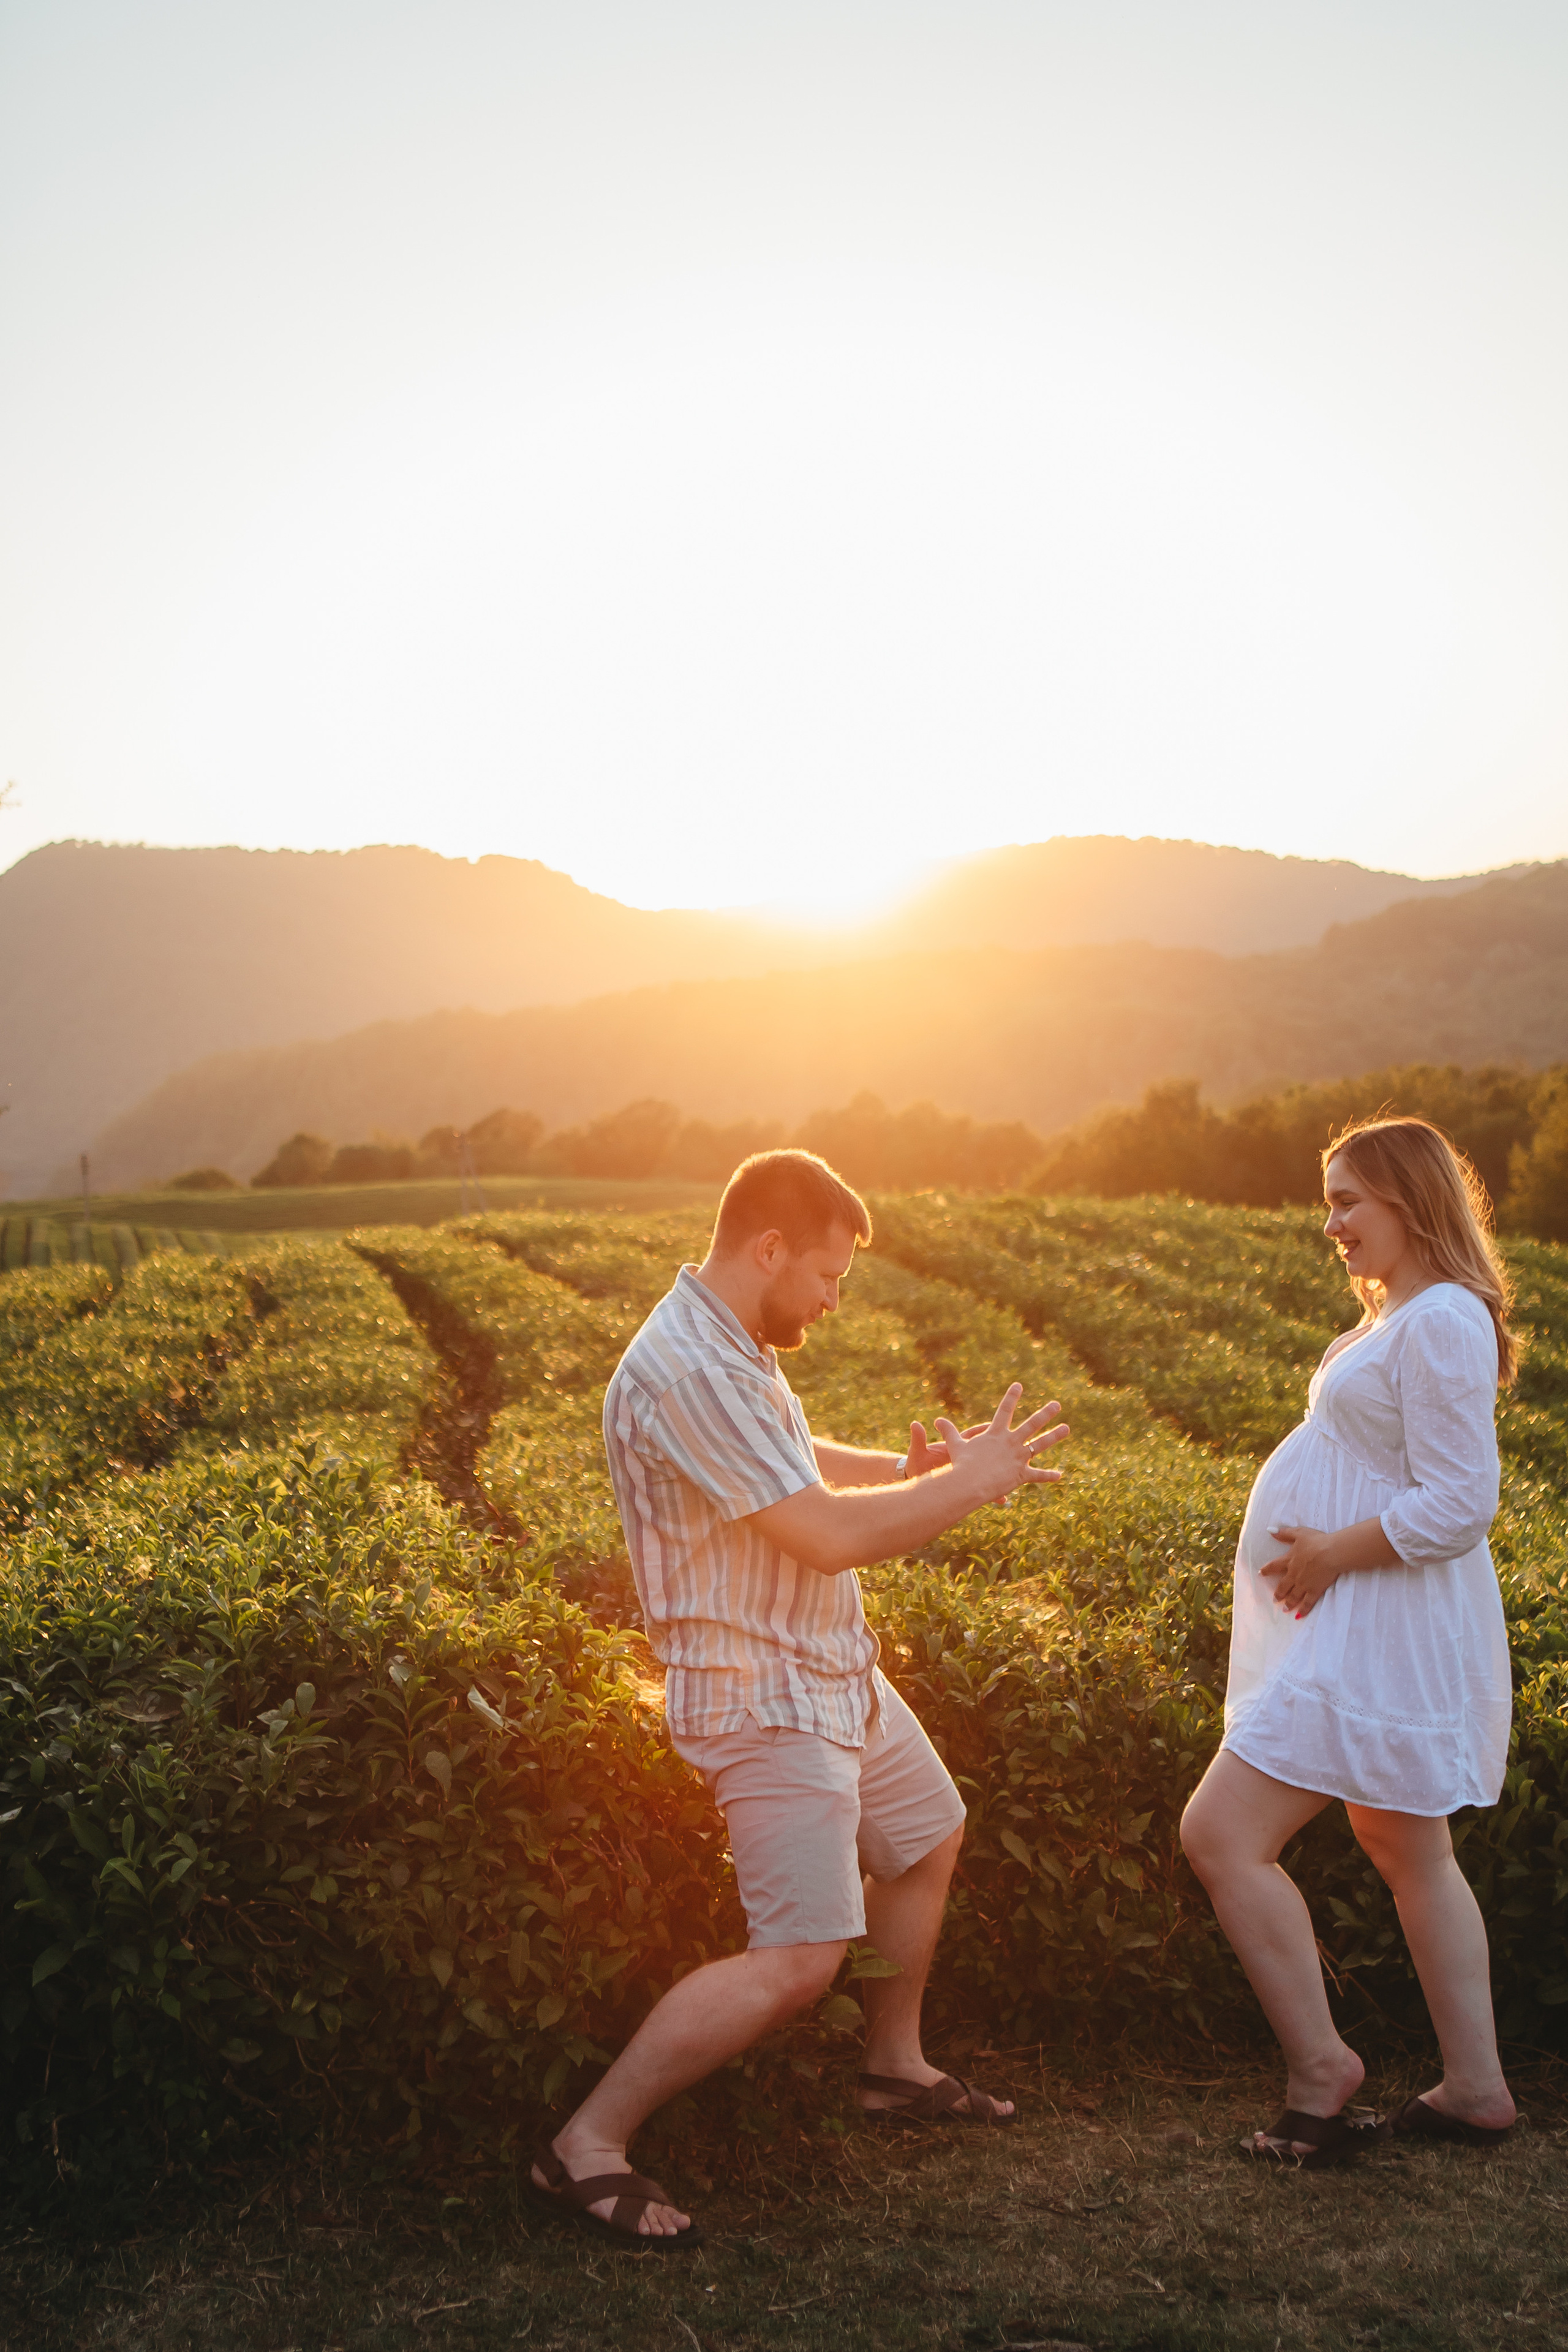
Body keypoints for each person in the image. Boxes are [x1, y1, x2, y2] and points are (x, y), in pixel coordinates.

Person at [529, 1148, 1069, 2247]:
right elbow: (820, 1537)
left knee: (925, 1838)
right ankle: (584, 2145)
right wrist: (962, 1486)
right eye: (826, 1277)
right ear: (768, 1248)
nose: (831, 1301)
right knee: (798, 1957)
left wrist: (901, 1463)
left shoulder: (734, 1344)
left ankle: (891, 2066)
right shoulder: (684, 1367)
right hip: (761, 1696)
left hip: (831, 1670)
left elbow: (793, 1460)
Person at [1180, 1115, 1518, 2169]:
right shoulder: (1400, 1317)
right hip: (1361, 1618)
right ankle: (1477, 2091)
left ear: (1411, 1204)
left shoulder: (1444, 1321)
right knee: (1407, 1845)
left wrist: (1330, 1552)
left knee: (1221, 1833)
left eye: (1346, 1202)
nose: (1329, 1223)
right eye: (1326, 1201)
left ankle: (1322, 2073)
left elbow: (1463, 1502)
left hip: (1377, 1620)